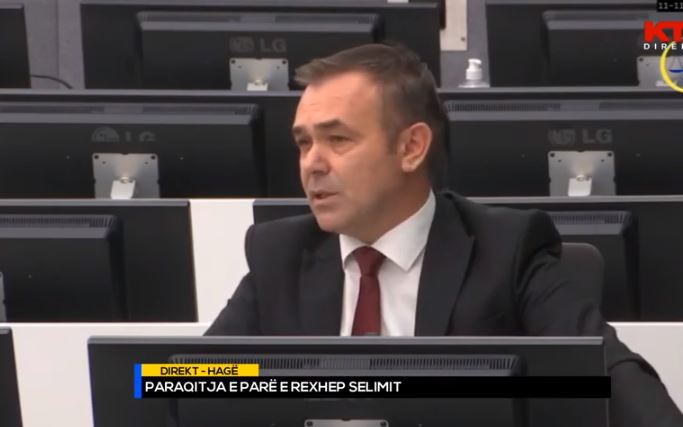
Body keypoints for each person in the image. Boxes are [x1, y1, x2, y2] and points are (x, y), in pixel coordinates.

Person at [206, 43, 683, 426]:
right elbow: (195, 381)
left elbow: (608, 378)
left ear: (411, 147)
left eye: (338, 139)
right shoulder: (280, 254)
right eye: (303, 143)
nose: (312, 163)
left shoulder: (508, 249)